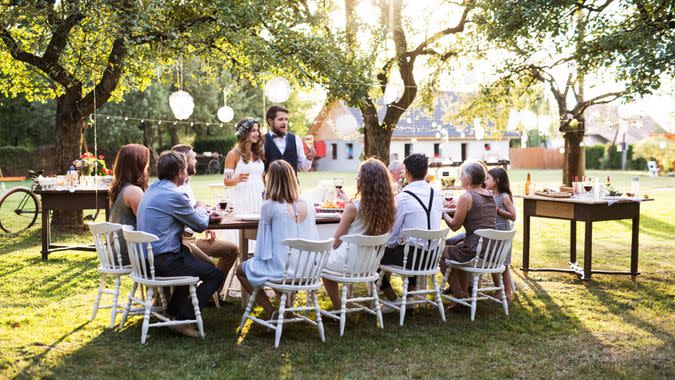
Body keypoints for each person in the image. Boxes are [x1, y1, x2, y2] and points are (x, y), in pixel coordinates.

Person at [136, 151, 224, 338]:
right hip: (163, 261)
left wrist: (196, 211)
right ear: (180, 173)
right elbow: (200, 225)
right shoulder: (174, 195)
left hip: (144, 260)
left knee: (191, 263)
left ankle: (171, 313)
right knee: (215, 275)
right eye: (184, 169)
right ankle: (183, 320)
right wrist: (200, 208)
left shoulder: (151, 189)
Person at [235, 160, 318, 316]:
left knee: (244, 269)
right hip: (308, 270)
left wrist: (258, 262)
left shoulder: (270, 206)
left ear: (270, 180)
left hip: (283, 271)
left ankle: (271, 310)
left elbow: (262, 246)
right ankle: (286, 308)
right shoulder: (309, 202)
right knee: (277, 263)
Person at [322, 158, 397, 309]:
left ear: (365, 181)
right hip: (370, 264)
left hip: (348, 263)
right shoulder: (389, 207)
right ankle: (342, 305)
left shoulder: (353, 208)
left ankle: (339, 307)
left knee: (321, 263)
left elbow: (335, 243)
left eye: (359, 175)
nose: (356, 178)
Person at [380, 153, 444, 301]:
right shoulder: (437, 193)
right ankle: (409, 296)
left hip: (413, 259)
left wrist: (389, 245)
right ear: (426, 172)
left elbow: (393, 236)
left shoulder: (403, 197)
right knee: (412, 248)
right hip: (433, 257)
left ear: (407, 173)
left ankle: (392, 299)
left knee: (372, 257)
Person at [171, 144, 239, 276]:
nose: (195, 161)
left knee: (232, 250)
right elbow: (186, 218)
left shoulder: (186, 184)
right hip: (182, 242)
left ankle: (214, 294)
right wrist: (204, 219)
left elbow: (192, 210)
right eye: (193, 158)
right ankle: (209, 291)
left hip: (193, 237)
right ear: (183, 161)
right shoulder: (177, 188)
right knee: (210, 267)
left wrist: (206, 214)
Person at [441, 161, 497, 299]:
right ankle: (464, 292)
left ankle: (458, 293)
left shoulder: (466, 196)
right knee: (457, 251)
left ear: (469, 178)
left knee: (438, 253)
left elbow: (454, 226)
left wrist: (443, 213)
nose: (460, 178)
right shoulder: (490, 195)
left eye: (462, 175)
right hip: (492, 249)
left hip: (474, 249)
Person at [109, 143, 150, 265]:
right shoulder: (133, 191)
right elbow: (148, 222)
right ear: (137, 165)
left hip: (115, 250)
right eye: (146, 163)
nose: (147, 167)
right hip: (127, 252)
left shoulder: (119, 188)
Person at [485, 167, 516, 302]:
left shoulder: (504, 197)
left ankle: (507, 293)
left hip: (502, 233)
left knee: (503, 265)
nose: (485, 180)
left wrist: (497, 210)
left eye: (487, 178)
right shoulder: (492, 195)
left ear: (496, 181)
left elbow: (513, 216)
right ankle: (499, 290)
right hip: (494, 232)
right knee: (494, 262)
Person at [223, 118, 266, 214]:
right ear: (244, 133)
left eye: (257, 130)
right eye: (253, 131)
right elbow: (226, 181)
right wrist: (236, 180)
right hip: (243, 199)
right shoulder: (233, 154)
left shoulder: (257, 152)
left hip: (260, 196)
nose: (257, 134)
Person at [263, 105, 315, 173]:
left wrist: (309, 158)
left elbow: (303, 168)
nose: (284, 122)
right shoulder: (262, 141)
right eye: (280, 119)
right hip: (271, 183)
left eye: (286, 119)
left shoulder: (296, 139)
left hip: (293, 183)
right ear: (270, 121)